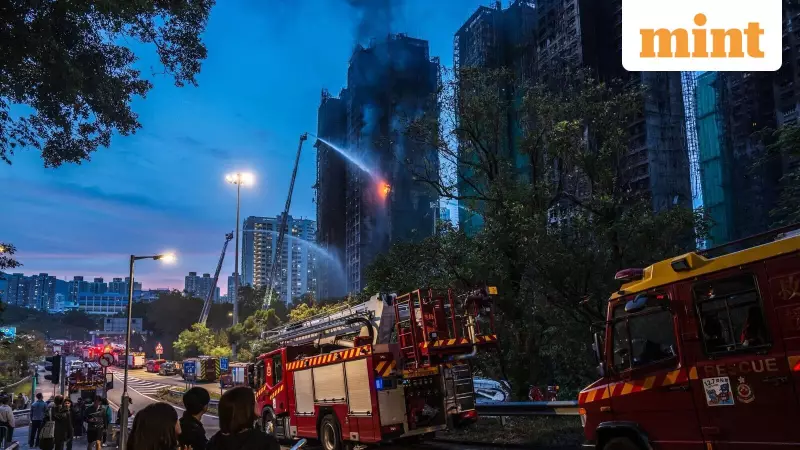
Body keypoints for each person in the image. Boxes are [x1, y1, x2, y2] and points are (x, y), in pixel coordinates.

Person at [206, 387, 280, 450]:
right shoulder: (266, 443)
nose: (257, 403)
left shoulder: (213, 442)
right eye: (254, 401)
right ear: (245, 409)